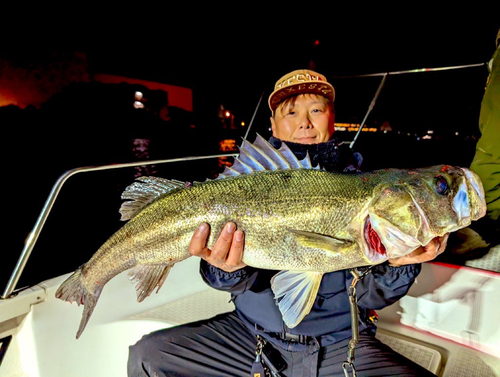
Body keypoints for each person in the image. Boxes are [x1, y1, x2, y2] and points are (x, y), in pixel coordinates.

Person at [127, 69, 448, 376]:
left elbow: (370, 298)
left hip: (342, 345)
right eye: (291, 113)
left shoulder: (366, 189)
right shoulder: (242, 182)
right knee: (148, 355)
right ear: (273, 124)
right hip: (251, 339)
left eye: (316, 110)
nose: (305, 123)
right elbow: (227, 281)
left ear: (332, 116)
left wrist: (398, 266)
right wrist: (225, 269)